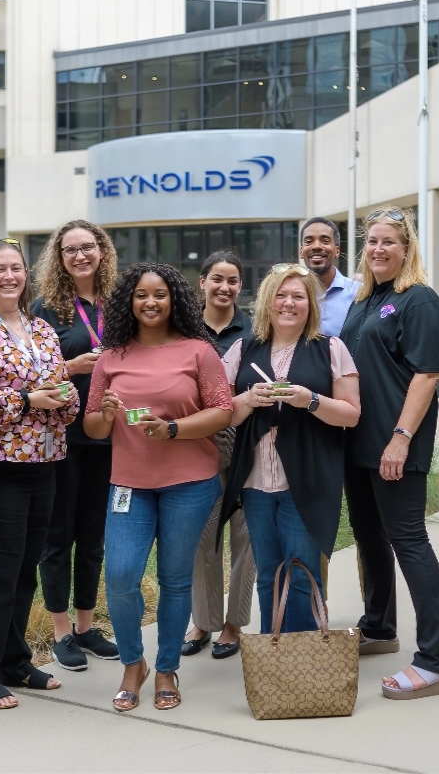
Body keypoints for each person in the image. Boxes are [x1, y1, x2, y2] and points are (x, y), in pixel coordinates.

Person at [84, 263, 232, 712]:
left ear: (174, 300)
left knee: (174, 578)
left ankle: (166, 667)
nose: (151, 302)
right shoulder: (112, 355)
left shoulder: (197, 351)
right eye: (142, 295)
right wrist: (106, 415)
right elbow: (92, 427)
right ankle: (134, 663)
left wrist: (171, 429)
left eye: (160, 294)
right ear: (128, 301)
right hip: (130, 483)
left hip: (190, 482)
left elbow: (222, 411)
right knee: (121, 576)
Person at [0, 238, 79, 709]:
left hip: (44, 465)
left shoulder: (43, 330)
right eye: (0, 269)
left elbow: (67, 397)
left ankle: (15, 661)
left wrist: (63, 399)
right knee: (1, 574)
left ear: (27, 275)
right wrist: (30, 400)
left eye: (17, 268)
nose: (10, 276)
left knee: (26, 569)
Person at [339, 207, 439, 700]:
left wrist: (401, 437)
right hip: (357, 445)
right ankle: (380, 626)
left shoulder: (421, 301)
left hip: (393, 445)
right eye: (372, 242)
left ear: (407, 249)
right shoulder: (366, 300)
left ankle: (436, 662)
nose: (379, 249)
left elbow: (427, 375)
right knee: (369, 540)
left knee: (409, 543)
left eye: (389, 242)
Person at [219, 264, 360, 634]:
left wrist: (309, 400)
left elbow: (350, 415)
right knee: (268, 575)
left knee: (302, 573)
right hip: (255, 482)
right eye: (281, 295)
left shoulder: (331, 348)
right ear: (267, 302)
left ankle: (307, 663)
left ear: (311, 305)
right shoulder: (242, 349)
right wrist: (248, 399)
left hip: (308, 481)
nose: (289, 303)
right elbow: (222, 416)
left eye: (298, 296)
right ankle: (275, 660)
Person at [33, 220, 119, 671]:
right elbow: (30, 376)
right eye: (71, 250)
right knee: (58, 534)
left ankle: (87, 627)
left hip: (108, 434)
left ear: (101, 251)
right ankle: (61, 633)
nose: (81, 255)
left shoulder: (118, 304)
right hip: (63, 438)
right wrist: (72, 366)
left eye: (88, 247)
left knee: (93, 535)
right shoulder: (46, 309)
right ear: (60, 258)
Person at [182, 251, 256, 660]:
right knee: (201, 538)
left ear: (239, 287)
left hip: (246, 447)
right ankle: (204, 621)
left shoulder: (254, 331)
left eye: (232, 281)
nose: (224, 287)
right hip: (200, 447)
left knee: (246, 538)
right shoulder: (184, 330)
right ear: (203, 283)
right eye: (217, 279)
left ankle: (233, 623)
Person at [300, 217, 359, 337]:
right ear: (301, 251)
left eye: (325, 241)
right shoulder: (291, 297)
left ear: (337, 251)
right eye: (309, 241)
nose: (316, 246)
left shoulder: (359, 294)